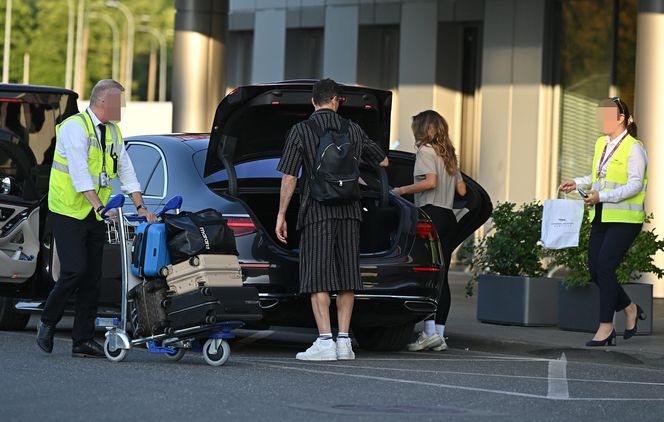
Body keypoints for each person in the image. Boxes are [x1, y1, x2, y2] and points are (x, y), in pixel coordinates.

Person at [37, 79, 156, 357]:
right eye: (118, 102)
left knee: (92, 277)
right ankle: (48, 320)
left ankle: (82, 340)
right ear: (103, 101)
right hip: (68, 210)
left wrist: (141, 206)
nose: (121, 108)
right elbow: (79, 173)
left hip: (95, 213)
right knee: (74, 270)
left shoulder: (113, 131)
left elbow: (126, 170)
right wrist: (100, 207)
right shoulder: (75, 127)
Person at [276, 79, 388, 361]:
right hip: (350, 211)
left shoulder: (301, 130)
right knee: (348, 276)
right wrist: (352, 165)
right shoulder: (354, 129)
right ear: (337, 100)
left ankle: (325, 340)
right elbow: (383, 161)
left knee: (318, 276)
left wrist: (281, 214)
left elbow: (289, 176)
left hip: (317, 211)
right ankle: (344, 342)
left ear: (313, 101)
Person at [559, 97, 647, 347]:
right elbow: (597, 176)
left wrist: (603, 196)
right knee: (595, 269)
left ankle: (606, 327)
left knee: (605, 268)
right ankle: (629, 307)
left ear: (621, 118)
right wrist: (577, 182)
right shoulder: (601, 143)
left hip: (625, 219)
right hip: (601, 215)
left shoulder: (634, 148)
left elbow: (635, 185)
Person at [392, 110, 466, 352]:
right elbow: (463, 191)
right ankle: (439, 335)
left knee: (427, 276)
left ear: (423, 129)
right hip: (449, 217)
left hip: (430, 214)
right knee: (441, 277)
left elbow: (430, 182)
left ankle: (428, 332)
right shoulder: (449, 155)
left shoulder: (425, 150)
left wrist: (401, 190)